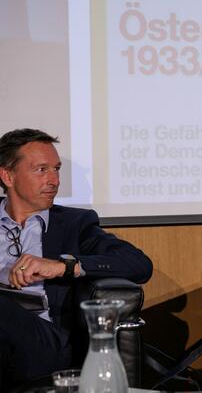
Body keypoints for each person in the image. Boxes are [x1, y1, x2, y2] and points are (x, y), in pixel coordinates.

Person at [0, 128, 153, 388]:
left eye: (56, 169)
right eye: (41, 170)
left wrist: (64, 266)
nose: (54, 180)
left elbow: (139, 264)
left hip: (45, 342)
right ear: (7, 176)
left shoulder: (74, 224)